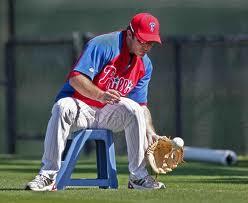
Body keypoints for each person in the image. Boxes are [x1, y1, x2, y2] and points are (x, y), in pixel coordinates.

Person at [25, 12, 165, 191]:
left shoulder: (145, 65)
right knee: (62, 107)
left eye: (151, 43)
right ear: (129, 34)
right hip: (81, 106)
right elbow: (76, 79)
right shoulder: (103, 44)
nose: (146, 46)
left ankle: (138, 177)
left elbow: (142, 105)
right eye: (143, 40)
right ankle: (48, 175)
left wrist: (151, 132)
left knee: (135, 110)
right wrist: (100, 95)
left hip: (108, 113)